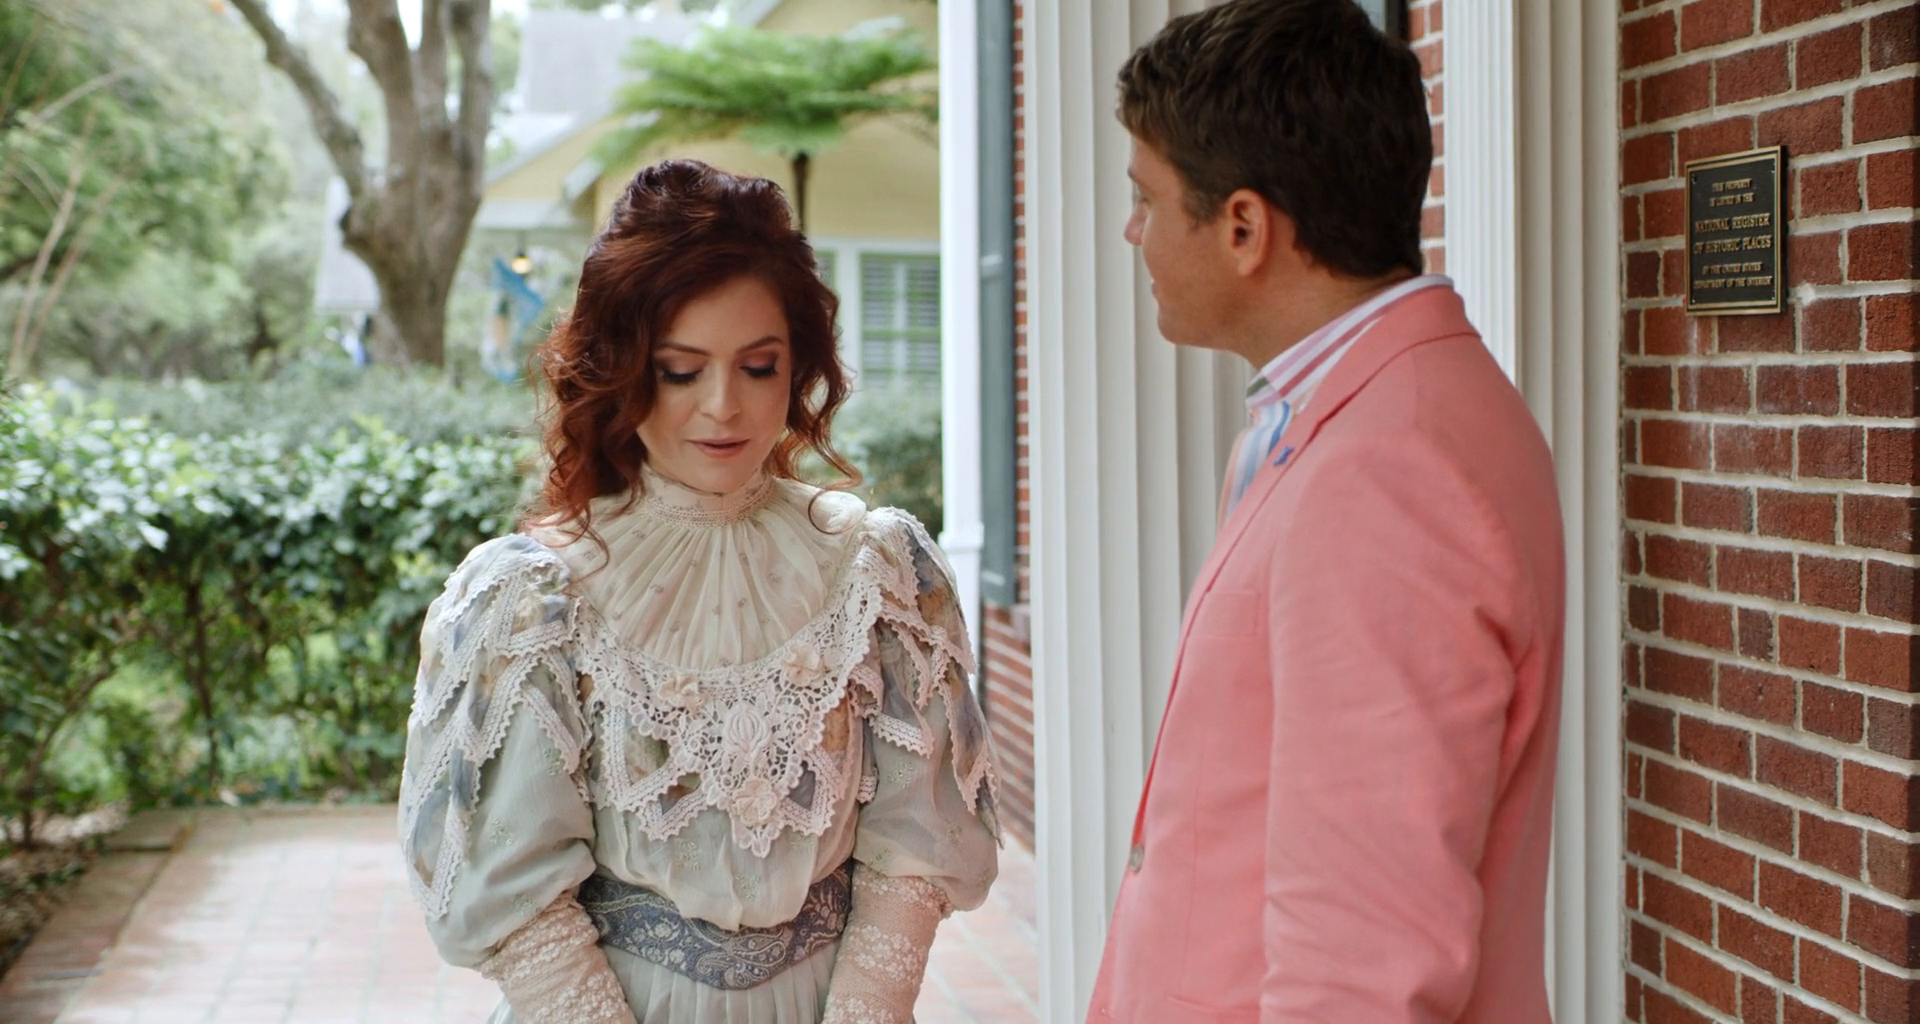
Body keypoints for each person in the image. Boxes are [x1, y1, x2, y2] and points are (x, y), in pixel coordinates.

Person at [398, 159, 1000, 1024]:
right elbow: (511, 897)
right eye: (682, 370)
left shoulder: (877, 567)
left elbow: (917, 846)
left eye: (759, 366)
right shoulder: (533, 597)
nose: (724, 406)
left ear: (799, 366)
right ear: (621, 367)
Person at [1088, 2, 1566, 1021]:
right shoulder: (1355, 415)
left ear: (1244, 228)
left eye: (1145, 198)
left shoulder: (1389, 470)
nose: (1132, 231)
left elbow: (1363, 961)